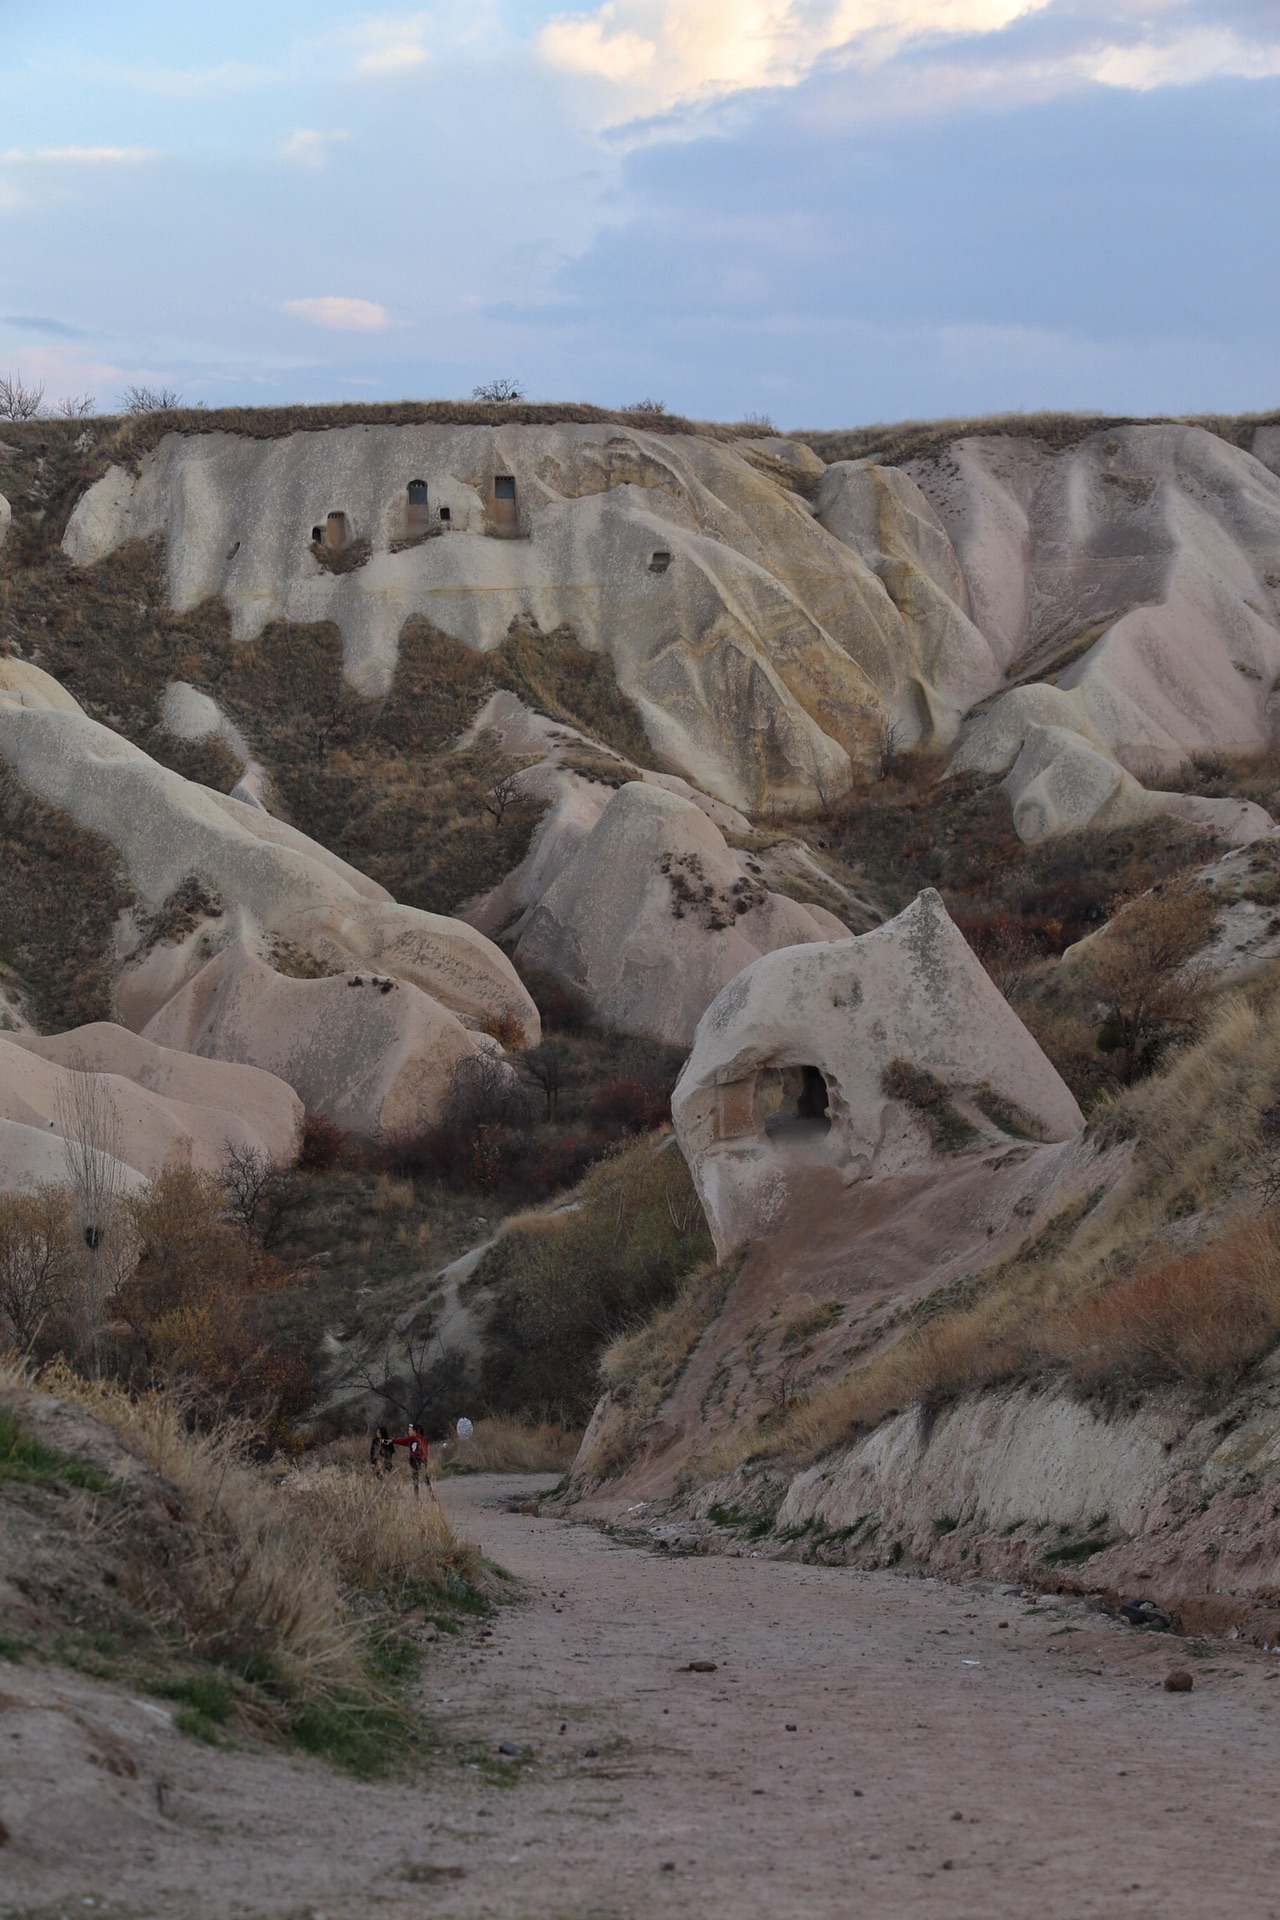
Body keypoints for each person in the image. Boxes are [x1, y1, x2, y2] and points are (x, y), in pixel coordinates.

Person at [392, 1420, 429, 1497]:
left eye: (410, 1430)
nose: (408, 1432)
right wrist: (392, 1440)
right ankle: (417, 1496)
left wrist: (423, 1461)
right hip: (413, 1461)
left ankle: (431, 1494)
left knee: (425, 1477)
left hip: (420, 1461)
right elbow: (401, 1440)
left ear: (415, 1431)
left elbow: (425, 1451)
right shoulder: (410, 1439)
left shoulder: (422, 1439)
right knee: (415, 1478)